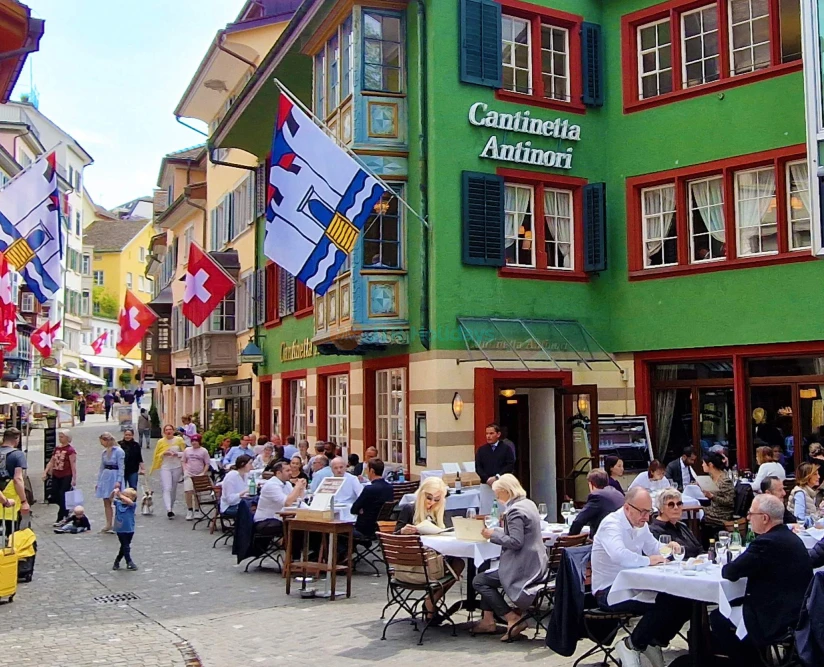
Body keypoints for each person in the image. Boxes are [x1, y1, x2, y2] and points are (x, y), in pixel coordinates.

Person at [591, 487, 691, 667]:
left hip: (635, 585)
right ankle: (632, 644)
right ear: (627, 508)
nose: (646, 517)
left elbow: (654, 547)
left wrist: (669, 548)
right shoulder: (611, 524)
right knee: (666, 602)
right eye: (643, 512)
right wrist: (648, 561)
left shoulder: (640, 524)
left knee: (686, 599)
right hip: (610, 590)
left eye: (649, 512)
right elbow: (619, 555)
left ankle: (652, 641)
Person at [712, 494, 813, 666]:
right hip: (799, 611)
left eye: (751, 514)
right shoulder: (792, 538)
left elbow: (731, 571)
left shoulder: (765, 543)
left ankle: (750, 662)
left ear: (765, 518)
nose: (748, 518)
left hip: (775, 618)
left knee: (717, 617)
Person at [472, 474, 548, 641]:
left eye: (498, 494)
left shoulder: (514, 511)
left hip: (522, 567)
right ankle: (489, 620)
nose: (497, 498)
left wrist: (492, 536)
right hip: (536, 563)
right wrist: (496, 532)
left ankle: (511, 617)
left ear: (507, 492)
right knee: (485, 577)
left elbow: (515, 542)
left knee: (479, 580)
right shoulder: (528, 503)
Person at [394, 477, 464, 621]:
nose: (432, 503)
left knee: (458, 563)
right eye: (429, 498)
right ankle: (431, 603)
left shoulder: (440, 512)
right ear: (421, 494)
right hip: (413, 567)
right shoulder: (410, 508)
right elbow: (394, 538)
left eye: (437, 499)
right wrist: (403, 532)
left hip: (433, 562)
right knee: (456, 566)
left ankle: (431, 601)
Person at [254, 461, 306, 536]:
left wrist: (301, 488)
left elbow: (297, 500)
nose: (291, 473)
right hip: (265, 521)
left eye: (290, 470)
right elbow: (287, 502)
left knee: (304, 523)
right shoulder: (271, 485)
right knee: (296, 526)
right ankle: (290, 546)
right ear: (278, 473)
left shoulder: (287, 484)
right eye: (287, 471)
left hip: (280, 518)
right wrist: (297, 487)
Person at [569, 468, 625, 538]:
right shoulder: (617, 493)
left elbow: (579, 521)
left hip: (604, 540)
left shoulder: (597, 496)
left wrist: (571, 538)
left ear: (591, 484)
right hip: (621, 535)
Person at [649, 488, 703, 558]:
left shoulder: (682, 526)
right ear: (661, 508)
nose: (676, 507)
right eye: (671, 504)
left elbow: (699, 549)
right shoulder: (653, 531)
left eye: (679, 504)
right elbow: (664, 556)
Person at [476, 423, 516, 513]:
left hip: (501, 485)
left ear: (498, 434)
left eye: (491, 433)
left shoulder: (506, 449)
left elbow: (510, 465)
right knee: (486, 511)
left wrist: (497, 477)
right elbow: (478, 467)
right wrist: (487, 479)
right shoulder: (481, 450)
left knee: (501, 510)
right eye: (487, 434)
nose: (488, 436)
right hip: (486, 486)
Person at [350, 458, 393, 539]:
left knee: (341, 531)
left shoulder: (369, 489)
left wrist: (360, 510)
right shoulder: (389, 488)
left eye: (367, 470)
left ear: (372, 471)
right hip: (380, 526)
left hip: (364, 529)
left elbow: (353, 509)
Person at [149, 425, 185, 519]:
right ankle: (168, 509)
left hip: (177, 466)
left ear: (173, 431)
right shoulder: (160, 442)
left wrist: (177, 454)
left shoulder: (179, 440)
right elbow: (157, 455)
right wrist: (164, 453)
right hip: (165, 467)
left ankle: (171, 507)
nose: (168, 431)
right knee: (167, 488)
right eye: (166, 430)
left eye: (170, 429)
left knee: (173, 488)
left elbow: (185, 453)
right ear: (164, 432)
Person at [42, 429, 77, 524]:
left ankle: (62, 516)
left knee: (63, 495)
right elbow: (52, 461)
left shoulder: (70, 450)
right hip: (56, 474)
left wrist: (74, 478)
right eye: (59, 436)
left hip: (66, 475)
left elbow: (73, 465)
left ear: (67, 438)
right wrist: (45, 471)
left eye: (62, 437)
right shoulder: (57, 448)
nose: (60, 438)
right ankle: (65, 510)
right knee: (54, 494)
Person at [701, 451, 735, 544]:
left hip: (722, 513)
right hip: (713, 508)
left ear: (710, 465)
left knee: (698, 515)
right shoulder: (711, 477)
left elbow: (729, 501)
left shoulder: (725, 480)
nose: (702, 465)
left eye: (703, 463)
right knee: (696, 513)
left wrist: (712, 496)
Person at [95, 432, 125, 533]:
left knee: (117, 501)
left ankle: (118, 523)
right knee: (106, 501)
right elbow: (101, 468)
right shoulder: (104, 453)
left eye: (102, 441)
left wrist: (119, 481)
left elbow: (121, 467)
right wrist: (99, 482)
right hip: (106, 476)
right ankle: (108, 523)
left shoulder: (119, 451)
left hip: (114, 475)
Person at [0, 427, 28, 524]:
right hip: (10, 500)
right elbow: (18, 479)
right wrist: (24, 501)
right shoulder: (18, 455)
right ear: (17, 439)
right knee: (11, 533)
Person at [181, 434, 211, 521]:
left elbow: (207, 463)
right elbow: (183, 460)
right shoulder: (187, 450)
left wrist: (203, 473)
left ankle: (197, 510)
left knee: (197, 493)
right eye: (192, 441)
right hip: (189, 473)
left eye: (196, 441)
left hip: (199, 474)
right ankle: (189, 509)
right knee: (188, 491)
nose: (194, 443)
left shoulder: (204, 451)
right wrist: (185, 470)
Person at [111, 487, 139, 571]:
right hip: (120, 529)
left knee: (124, 546)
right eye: (124, 495)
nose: (124, 498)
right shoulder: (118, 503)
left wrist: (120, 495)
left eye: (127, 496)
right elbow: (110, 499)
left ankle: (117, 561)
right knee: (126, 545)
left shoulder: (132, 505)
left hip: (129, 529)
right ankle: (129, 562)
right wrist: (114, 493)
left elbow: (129, 502)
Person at [787, 462, 821, 527]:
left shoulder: (810, 492)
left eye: (818, 474)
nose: (819, 477)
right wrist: (815, 518)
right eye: (815, 474)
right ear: (807, 476)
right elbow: (800, 520)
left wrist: (820, 510)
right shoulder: (800, 493)